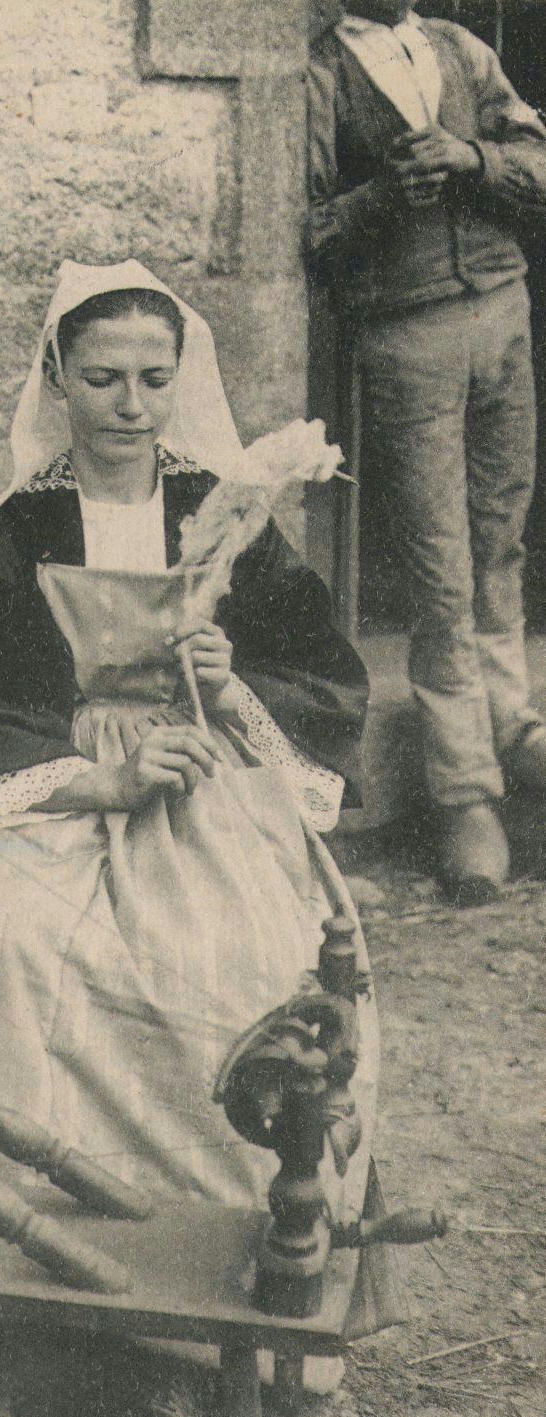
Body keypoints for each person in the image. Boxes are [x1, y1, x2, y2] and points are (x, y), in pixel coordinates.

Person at [0, 260, 380, 1417]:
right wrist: (93, 770)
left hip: (200, 792)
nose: (131, 405)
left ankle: (188, 1308)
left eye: (153, 380)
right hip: (50, 798)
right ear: (57, 378)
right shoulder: (3, 540)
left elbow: (322, 680)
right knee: (9, 950)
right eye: (104, 378)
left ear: (181, 382)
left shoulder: (230, 517)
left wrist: (230, 685)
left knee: (227, 962)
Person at [308, 3, 546, 905]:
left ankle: (514, 726)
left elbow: (539, 163)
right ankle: (464, 793)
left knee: (500, 539)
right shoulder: (320, 73)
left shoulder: (461, 50)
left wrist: (473, 159)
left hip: (503, 309)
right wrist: (380, 199)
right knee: (440, 568)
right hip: (406, 331)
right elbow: (306, 230)